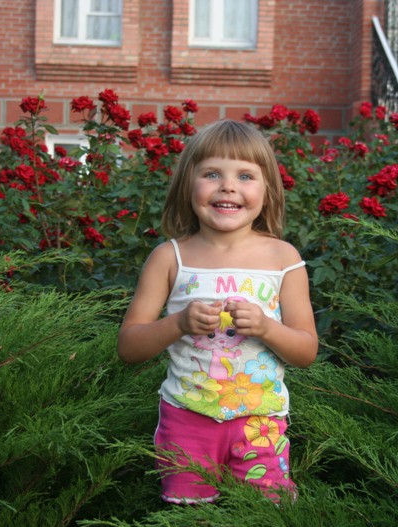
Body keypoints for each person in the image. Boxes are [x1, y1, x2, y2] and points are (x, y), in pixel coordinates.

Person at [118, 119, 318, 504]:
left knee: (264, 516)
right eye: (212, 174)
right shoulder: (169, 258)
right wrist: (179, 323)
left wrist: (266, 328)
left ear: (267, 190)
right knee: (193, 520)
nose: (227, 186)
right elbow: (129, 346)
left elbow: (306, 351)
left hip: (261, 425)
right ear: (187, 185)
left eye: (245, 176)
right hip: (186, 420)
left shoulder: (283, 259)